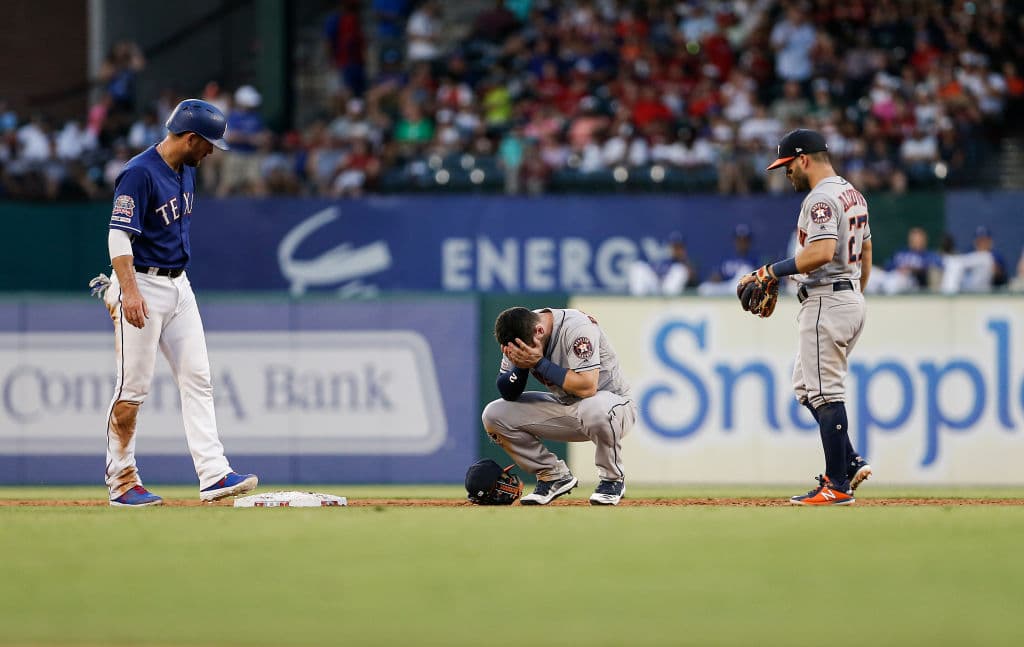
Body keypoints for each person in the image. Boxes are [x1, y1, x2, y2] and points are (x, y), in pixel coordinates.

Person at [91, 99, 258, 507]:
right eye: (209, 143)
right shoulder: (139, 172)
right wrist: (129, 291)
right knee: (132, 389)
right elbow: (118, 235)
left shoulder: (185, 169)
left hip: (179, 285)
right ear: (190, 138)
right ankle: (122, 480)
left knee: (198, 378)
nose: (212, 151)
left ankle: (214, 474)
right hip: (142, 283)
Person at [747, 128, 873, 505]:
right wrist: (854, 294)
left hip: (826, 300)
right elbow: (866, 251)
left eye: (788, 166)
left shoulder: (820, 198)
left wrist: (771, 271)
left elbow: (820, 252)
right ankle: (849, 461)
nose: (787, 174)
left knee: (825, 392)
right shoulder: (852, 193)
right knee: (806, 386)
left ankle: (837, 484)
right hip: (847, 296)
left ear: (804, 159)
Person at [481, 307, 636, 506]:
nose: (522, 352)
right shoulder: (520, 333)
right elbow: (508, 392)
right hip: (568, 406)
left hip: (614, 407)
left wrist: (538, 362)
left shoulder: (576, 328)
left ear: (539, 331)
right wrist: (521, 365)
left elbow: (587, 387)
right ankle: (553, 476)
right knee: (494, 414)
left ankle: (612, 480)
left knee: (593, 407)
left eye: (524, 349)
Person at [628, 232, 696, 296]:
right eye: (674, 246)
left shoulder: (682, 262)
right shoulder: (662, 255)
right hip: (654, 284)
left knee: (680, 270)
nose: (676, 250)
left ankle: (668, 300)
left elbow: (692, 278)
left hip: (668, 289)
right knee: (637, 267)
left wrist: (682, 259)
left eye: (679, 247)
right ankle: (638, 300)